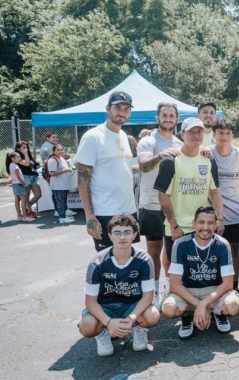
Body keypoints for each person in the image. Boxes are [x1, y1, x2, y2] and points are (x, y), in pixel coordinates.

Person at [78, 214, 160, 357]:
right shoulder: (97, 262)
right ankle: (103, 333)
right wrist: (108, 322)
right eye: (117, 233)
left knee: (152, 316)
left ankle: (137, 328)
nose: (122, 237)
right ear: (110, 236)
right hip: (106, 307)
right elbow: (90, 301)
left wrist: (132, 318)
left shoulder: (144, 259)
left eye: (127, 232)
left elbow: (148, 296)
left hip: (132, 305)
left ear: (135, 235)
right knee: (87, 327)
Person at [154, 117, 224, 278]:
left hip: (203, 226)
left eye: (199, 131)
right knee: (177, 271)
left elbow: (215, 192)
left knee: (203, 269)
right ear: (182, 135)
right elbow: (162, 196)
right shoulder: (170, 161)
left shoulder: (208, 160)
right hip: (179, 227)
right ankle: (173, 298)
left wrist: (219, 219)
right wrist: (174, 226)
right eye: (191, 132)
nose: (196, 135)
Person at [161, 206, 239, 339]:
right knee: (168, 309)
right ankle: (187, 316)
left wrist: (204, 303)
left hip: (214, 290)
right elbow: (175, 285)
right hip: (188, 290)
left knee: (233, 306)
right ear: (193, 223)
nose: (205, 227)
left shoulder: (222, 244)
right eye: (201, 222)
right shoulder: (181, 244)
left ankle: (219, 313)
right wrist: (199, 305)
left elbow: (227, 284)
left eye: (210, 223)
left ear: (216, 224)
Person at [76, 91, 140, 251]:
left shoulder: (124, 136)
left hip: (128, 210)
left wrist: (154, 163)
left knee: (127, 260)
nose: (122, 112)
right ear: (108, 108)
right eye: (117, 107)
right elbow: (83, 181)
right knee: (107, 263)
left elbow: (121, 169)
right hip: (105, 212)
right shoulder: (93, 137)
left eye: (126, 109)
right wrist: (90, 217)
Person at [136, 102, 184, 303]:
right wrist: (161, 155)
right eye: (164, 115)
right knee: (154, 251)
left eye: (171, 115)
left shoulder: (180, 144)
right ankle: (153, 291)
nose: (168, 118)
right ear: (157, 117)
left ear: (177, 119)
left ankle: (169, 288)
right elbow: (144, 166)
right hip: (151, 204)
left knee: (172, 252)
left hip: (173, 206)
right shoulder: (148, 140)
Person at [210, 118, 239, 304]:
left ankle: (234, 287)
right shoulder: (207, 153)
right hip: (212, 214)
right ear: (213, 134)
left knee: (235, 249)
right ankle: (215, 288)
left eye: (228, 133)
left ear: (233, 135)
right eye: (220, 133)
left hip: (236, 211)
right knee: (213, 251)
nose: (224, 136)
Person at [46, 143, 75, 224]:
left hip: (63, 184)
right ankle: (62, 218)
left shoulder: (61, 158)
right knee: (60, 201)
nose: (60, 151)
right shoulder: (52, 160)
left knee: (63, 200)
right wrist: (65, 170)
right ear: (54, 151)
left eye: (61, 149)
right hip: (58, 185)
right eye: (58, 150)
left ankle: (64, 214)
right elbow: (52, 173)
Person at [14, 141, 41, 218]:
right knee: (26, 196)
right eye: (23, 147)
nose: (26, 149)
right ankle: (30, 211)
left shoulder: (28, 155)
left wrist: (36, 164)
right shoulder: (18, 157)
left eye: (26, 147)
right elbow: (26, 164)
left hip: (33, 176)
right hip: (25, 177)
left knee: (38, 194)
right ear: (18, 149)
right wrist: (25, 153)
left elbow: (33, 164)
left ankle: (26, 207)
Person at [6, 152, 33, 222]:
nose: (20, 158)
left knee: (17, 200)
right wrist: (24, 184)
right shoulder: (15, 166)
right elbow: (19, 177)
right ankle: (25, 216)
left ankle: (19, 215)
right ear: (13, 159)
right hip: (19, 184)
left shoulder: (11, 165)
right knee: (23, 201)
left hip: (15, 184)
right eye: (18, 157)